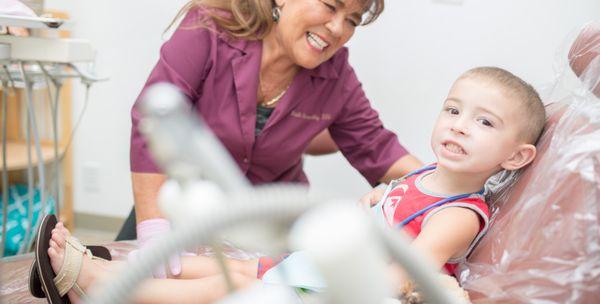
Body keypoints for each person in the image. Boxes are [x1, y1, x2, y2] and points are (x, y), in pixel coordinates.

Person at [38, 66, 545, 303]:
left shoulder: (459, 212)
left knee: (228, 283)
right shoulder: (418, 178)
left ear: (518, 155)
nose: (458, 125)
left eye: (484, 123)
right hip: (309, 267)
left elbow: (406, 274)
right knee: (200, 260)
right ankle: (95, 264)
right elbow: (375, 208)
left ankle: (94, 286)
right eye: (453, 110)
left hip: (333, 289)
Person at [128, 0, 422, 277]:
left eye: (353, 20)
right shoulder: (209, 28)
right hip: (182, 214)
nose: (338, 28)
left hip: (269, 234)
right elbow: (153, 121)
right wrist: (153, 230)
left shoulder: (336, 73)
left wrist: (452, 189)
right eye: (330, 5)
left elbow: (379, 148)